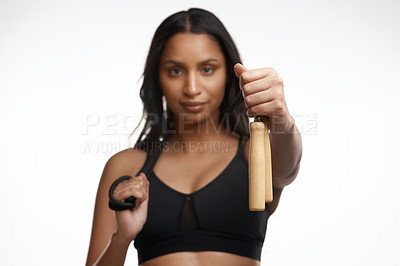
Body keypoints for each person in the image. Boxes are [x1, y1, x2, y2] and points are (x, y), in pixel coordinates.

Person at [86, 7, 302, 266]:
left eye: (207, 69)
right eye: (176, 71)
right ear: (158, 78)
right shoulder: (126, 167)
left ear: (228, 75)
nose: (191, 88)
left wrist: (281, 116)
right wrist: (122, 237)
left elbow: (288, 167)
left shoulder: (255, 154)